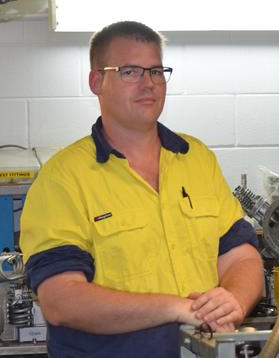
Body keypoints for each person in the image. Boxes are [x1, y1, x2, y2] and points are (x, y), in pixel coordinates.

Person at [19, 21, 264, 357]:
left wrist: (233, 300)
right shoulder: (63, 177)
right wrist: (176, 308)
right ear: (96, 81)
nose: (148, 83)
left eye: (157, 71)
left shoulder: (197, 159)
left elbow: (241, 256)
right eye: (130, 71)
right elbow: (62, 300)